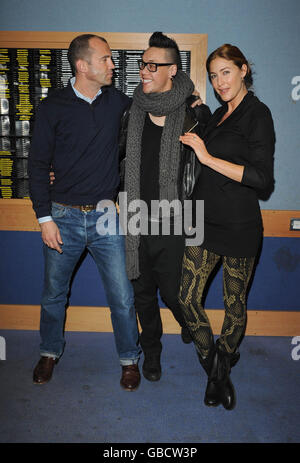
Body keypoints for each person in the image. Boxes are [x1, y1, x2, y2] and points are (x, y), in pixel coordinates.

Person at [28, 34, 141, 391]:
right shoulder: (52, 107)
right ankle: (49, 352)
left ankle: (129, 360)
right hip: (61, 216)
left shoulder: (120, 103)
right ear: (82, 65)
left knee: (122, 296)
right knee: (53, 294)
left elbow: (160, 100)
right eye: (106, 59)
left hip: (107, 215)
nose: (113, 65)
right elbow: (37, 164)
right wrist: (44, 218)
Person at [179, 44, 275, 409]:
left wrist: (206, 156)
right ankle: (216, 369)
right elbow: (205, 122)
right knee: (186, 298)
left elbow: (261, 178)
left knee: (234, 305)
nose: (220, 81)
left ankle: (219, 372)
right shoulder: (218, 115)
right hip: (202, 221)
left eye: (227, 72)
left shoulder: (258, 114)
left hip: (239, 226)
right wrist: (198, 107)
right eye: (215, 74)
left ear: (244, 70)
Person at [120, 32, 211, 382]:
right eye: (143, 63)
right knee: (143, 294)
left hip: (175, 221)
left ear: (172, 70)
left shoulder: (195, 115)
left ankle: (188, 323)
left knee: (176, 293)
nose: (144, 70)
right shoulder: (132, 111)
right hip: (136, 219)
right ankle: (152, 355)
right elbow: (117, 157)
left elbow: (211, 165)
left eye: (152, 65)